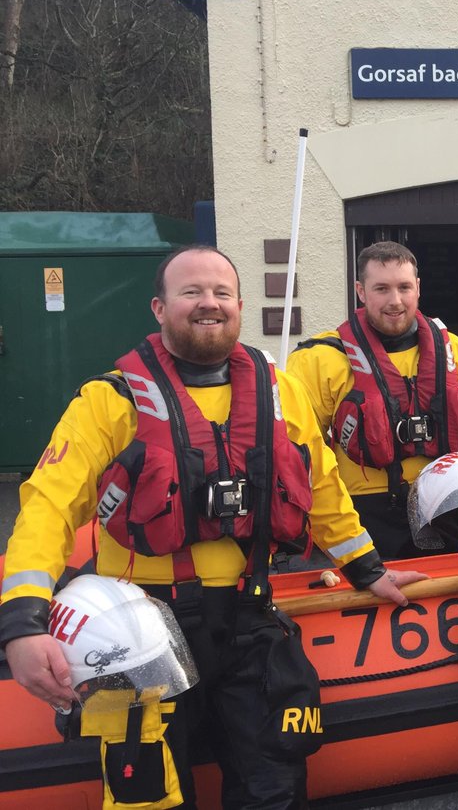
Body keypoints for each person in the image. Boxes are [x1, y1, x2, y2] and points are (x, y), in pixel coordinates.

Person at [0, 245, 424, 809]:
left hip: (250, 622)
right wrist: (24, 622)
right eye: (192, 292)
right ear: (158, 307)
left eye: (222, 293)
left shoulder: (278, 390)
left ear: (240, 305)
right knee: (148, 795)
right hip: (142, 632)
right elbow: (48, 507)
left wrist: (367, 569)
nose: (209, 304)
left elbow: (321, 487)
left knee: (274, 788)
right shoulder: (109, 400)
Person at [288, 241, 458, 558]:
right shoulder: (320, 358)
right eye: (381, 289)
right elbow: (302, 449)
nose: (395, 301)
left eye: (404, 287)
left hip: (450, 508)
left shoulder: (454, 350)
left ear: (418, 288)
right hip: (363, 516)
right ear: (361, 291)